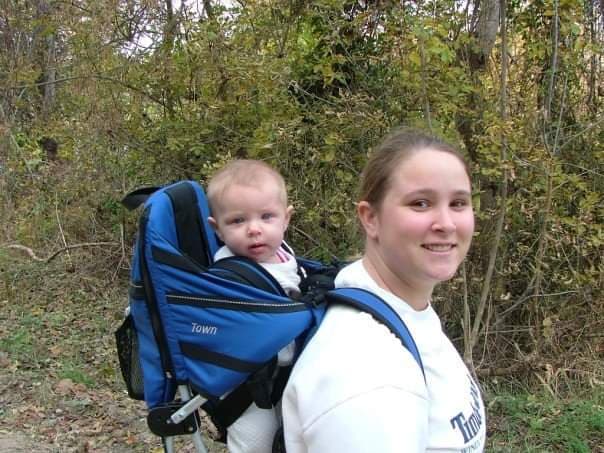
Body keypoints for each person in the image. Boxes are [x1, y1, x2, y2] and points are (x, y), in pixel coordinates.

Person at [281, 128, 486, 452]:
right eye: (420, 203)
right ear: (371, 218)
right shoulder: (365, 376)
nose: (446, 223)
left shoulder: (402, 309)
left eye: (458, 203)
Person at [207, 159, 299, 453]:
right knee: (256, 443)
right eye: (237, 221)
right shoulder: (228, 275)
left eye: (267, 217)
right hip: (245, 384)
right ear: (218, 229)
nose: (254, 229)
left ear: (286, 219)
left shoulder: (286, 256)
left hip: (289, 374)